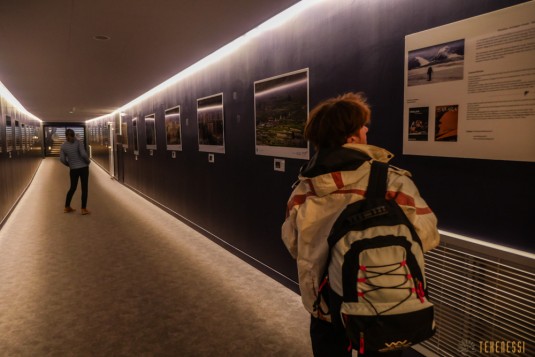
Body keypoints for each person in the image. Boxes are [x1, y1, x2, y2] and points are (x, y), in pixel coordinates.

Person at [281, 92, 440, 356]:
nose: (367, 129)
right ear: (352, 138)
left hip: (326, 307)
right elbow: (427, 236)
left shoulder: (304, 189)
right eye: (362, 126)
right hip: (382, 301)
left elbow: (293, 244)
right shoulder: (393, 181)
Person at [60, 128, 91, 215]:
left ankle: (67, 207)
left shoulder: (63, 146)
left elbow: (62, 159)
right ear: (74, 135)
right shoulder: (79, 142)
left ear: (66, 136)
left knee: (73, 187)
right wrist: (88, 161)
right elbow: (83, 154)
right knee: (84, 188)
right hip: (83, 168)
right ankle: (83, 209)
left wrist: (69, 164)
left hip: (73, 169)